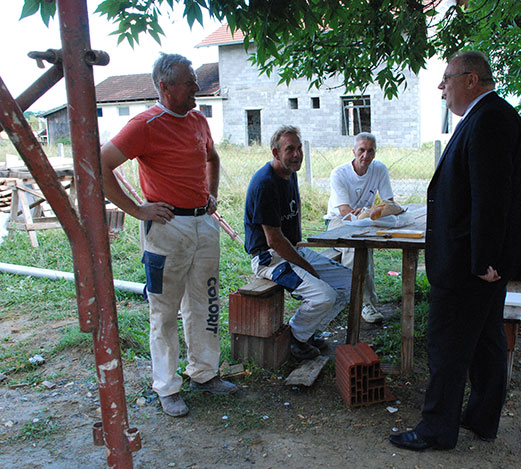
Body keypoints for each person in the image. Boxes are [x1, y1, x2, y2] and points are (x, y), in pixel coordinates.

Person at [389, 51, 521, 451]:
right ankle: (482, 418)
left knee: (448, 346)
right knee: (486, 343)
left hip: (471, 263)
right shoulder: (491, 116)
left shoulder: (488, 120)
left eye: (446, 79)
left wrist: (485, 260)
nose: (440, 88)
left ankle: (436, 429)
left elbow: (491, 198)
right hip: (479, 261)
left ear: (471, 80)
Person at [100, 53, 237, 418]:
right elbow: (101, 164)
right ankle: (166, 386)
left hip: (202, 224)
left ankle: (204, 374)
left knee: (205, 302)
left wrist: (213, 194)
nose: (197, 87)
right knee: (163, 311)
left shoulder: (197, 119)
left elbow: (213, 158)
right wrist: (137, 209)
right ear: (165, 86)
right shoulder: (144, 124)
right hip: (166, 227)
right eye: (189, 81)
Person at [244, 126, 352, 360]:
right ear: (275, 152)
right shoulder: (265, 184)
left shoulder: (289, 174)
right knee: (324, 296)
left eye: (299, 148)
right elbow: (273, 240)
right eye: (289, 149)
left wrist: (301, 247)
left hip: (290, 249)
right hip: (268, 257)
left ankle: (308, 330)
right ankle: (297, 338)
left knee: (349, 282)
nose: (297, 154)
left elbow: (295, 210)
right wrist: (307, 265)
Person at [325, 132, 394, 324]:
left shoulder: (379, 169)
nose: (366, 155)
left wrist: (368, 212)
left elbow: (389, 203)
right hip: (338, 221)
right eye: (361, 150)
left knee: (363, 244)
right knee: (357, 246)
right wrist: (370, 211)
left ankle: (355, 299)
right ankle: (358, 300)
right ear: (353, 151)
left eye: (370, 150)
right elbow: (345, 211)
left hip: (365, 221)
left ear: (375, 152)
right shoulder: (339, 173)